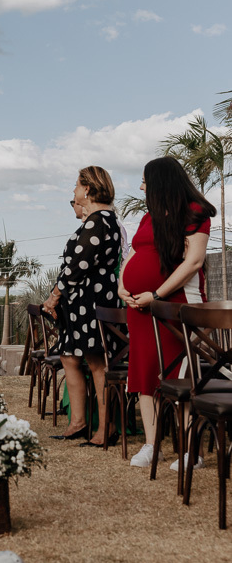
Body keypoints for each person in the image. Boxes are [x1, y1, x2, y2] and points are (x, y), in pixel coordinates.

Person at [120, 156, 215, 469]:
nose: (141, 186)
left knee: (180, 375)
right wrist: (123, 285)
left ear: (160, 182)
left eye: (145, 180)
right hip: (141, 308)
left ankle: (191, 449)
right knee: (145, 374)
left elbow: (194, 261)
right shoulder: (149, 217)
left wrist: (157, 295)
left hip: (175, 306)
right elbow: (134, 251)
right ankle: (152, 445)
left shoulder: (195, 213)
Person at [42, 166, 123, 446]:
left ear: (87, 189)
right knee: (69, 357)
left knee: (97, 363)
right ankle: (78, 422)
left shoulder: (99, 221)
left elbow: (79, 265)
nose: (74, 193)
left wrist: (54, 296)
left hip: (92, 300)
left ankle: (105, 428)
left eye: (76, 187)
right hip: (84, 301)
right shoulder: (102, 220)